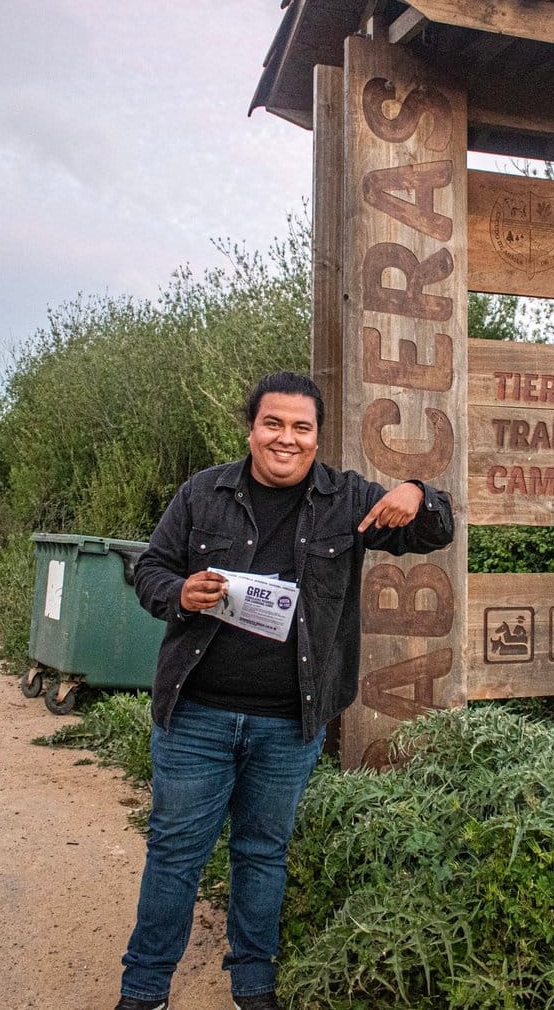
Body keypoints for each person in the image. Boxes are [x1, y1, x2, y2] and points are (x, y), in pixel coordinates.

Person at [116, 371, 455, 1010]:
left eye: (302, 428)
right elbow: (152, 569)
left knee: (263, 852)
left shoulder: (347, 500)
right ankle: (144, 991)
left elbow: (434, 529)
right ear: (251, 429)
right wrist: (177, 593)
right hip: (197, 715)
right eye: (274, 424)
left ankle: (253, 985)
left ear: (318, 437)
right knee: (175, 854)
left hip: (288, 723)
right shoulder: (202, 494)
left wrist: (415, 491)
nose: (286, 439)